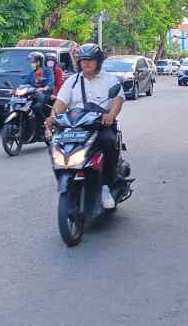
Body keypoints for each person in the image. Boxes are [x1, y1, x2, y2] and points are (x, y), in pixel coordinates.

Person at [45, 43, 125, 209]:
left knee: (109, 141)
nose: (86, 63)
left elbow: (117, 100)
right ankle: (66, 175)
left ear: (98, 61)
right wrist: (52, 118)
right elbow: (60, 104)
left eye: (90, 60)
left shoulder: (109, 80)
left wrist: (111, 115)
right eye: (83, 60)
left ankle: (105, 187)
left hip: (101, 125)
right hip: (75, 126)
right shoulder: (72, 81)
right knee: (55, 145)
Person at [25, 51, 54, 135]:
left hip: (45, 95)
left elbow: (51, 83)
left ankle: (47, 127)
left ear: (39, 62)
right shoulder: (32, 74)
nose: (32, 64)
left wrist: (44, 88)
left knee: (37, 107)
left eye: (33, 62)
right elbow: (25, 83)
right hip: (34, 95)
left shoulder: (48, 71)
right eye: (31, 62)